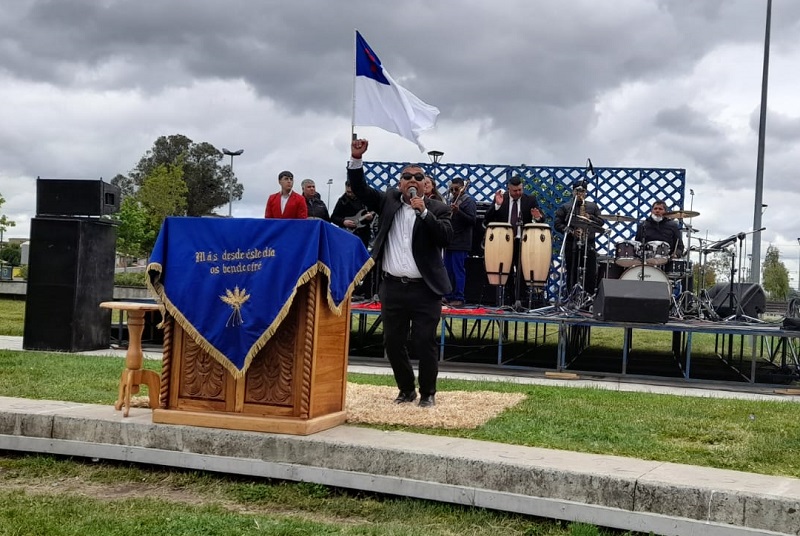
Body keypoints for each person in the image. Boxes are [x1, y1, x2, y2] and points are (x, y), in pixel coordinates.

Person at [348, 138, 453, 408]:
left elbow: (445, 238)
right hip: (393, 287)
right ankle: (406, 390)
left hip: (425, 290)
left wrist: (425, 213)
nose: (413, 180)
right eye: (407, 176)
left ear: (424, 183)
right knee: (393, 342)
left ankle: (428, 393)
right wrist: (356, 159)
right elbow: (360, 188)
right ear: (400, 183)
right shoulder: (388, 202)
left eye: (418, 176)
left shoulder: (438, 209)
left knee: (424, 341)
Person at [482, 175, 547, 305]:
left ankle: (521, 300)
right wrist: (497, 206)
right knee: (507, 270)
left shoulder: (530, 200)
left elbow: (541, 218)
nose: (518, 193)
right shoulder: (502, 199)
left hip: (523, 242)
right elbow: (487, 219)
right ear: (509, 189)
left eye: (520, 190)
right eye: (515, 191)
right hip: (504, 242)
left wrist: (538, 217)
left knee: (523, 270)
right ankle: (508, 300)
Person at [554, 180, 604, 295]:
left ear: (586, 192)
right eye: (578, 191)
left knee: (590, 274)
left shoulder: (592, 206)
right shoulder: (566, 207)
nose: (580, 194)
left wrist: (590, 217)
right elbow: (557, 224)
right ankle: (571, 298)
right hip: (572, 244)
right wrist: (571, 231)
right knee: (572, 273)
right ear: (573, 191)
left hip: (589, 244)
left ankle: (588, 300)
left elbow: (601, 222)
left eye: (582, 191)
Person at [443, 177, 476, 307]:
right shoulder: (451, 201)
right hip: (450, 241)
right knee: (448, 270)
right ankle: (448, 295)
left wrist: (459, 212)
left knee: (458, 270)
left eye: (456, 189)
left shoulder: (469, 202)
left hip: (461, 242)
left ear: (463, 188)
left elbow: (472, 221)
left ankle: (459, 296)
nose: (454, 192)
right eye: (452, 190)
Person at [330, 180, 375, 248]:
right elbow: (333, 217)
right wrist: (343, 222)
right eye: (347, 192)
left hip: (363, 233)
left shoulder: (364, 198)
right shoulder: (342, 200)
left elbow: (373, 212)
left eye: (351, 192)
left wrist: (370, 218)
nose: (350, 194)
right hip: (347, 233)